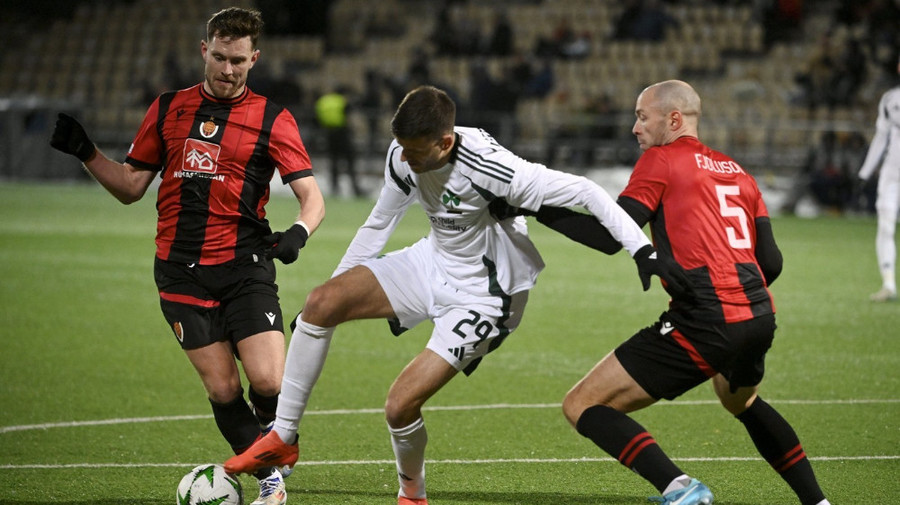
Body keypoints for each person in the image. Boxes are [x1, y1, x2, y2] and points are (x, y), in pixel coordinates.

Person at [224, 85, 688, 505]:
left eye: (415, 151)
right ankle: (283, 437)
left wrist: (642, 250)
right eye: (402, 148)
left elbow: (586, 191)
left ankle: (412, 495)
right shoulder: (402, 153)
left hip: (488, 294)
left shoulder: (493, 168)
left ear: (445, 143)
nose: (405, 159)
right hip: (433, 260)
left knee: (399, 405)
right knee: (320, 304)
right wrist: (336, 285)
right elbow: (380, 223)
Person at [49, 8, 326, 505]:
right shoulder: (168, 109)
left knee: (268, 380)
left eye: (237, 61)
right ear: (204, 50)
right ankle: (270, 481)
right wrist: (87, 151)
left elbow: (313, 197)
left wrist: (299, 233)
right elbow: (131, 187)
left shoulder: (272, 118)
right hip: (180, 273)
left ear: (254, 59)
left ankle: (275, 436)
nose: (227, 70)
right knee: (223, 389)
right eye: (219, 57)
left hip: (245, 266)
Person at [553, 80, 831, 505]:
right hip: (758, 317)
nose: (635, 127)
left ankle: (680, 489)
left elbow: (611, 236)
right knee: (740, 401)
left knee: (583, 404)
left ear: (673, 119)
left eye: (642, 117)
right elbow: (771, 262)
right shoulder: (738, 171)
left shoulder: (660, 160)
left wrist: (536, 209)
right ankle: (818, 502)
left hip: (705, 319)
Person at [858, 56, 900, 302]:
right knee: (885, 225)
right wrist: (865, 172)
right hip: (892, 174)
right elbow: (881, 137)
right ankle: (888, 283)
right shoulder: (890, 99)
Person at [315, 86, 364, 197]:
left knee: (333, 161)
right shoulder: (342, 101)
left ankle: (334, 188)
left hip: (328, 133)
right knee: (350, 161)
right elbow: (349, 116)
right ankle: (355, 188)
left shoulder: (323, 101)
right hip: (342, 133)